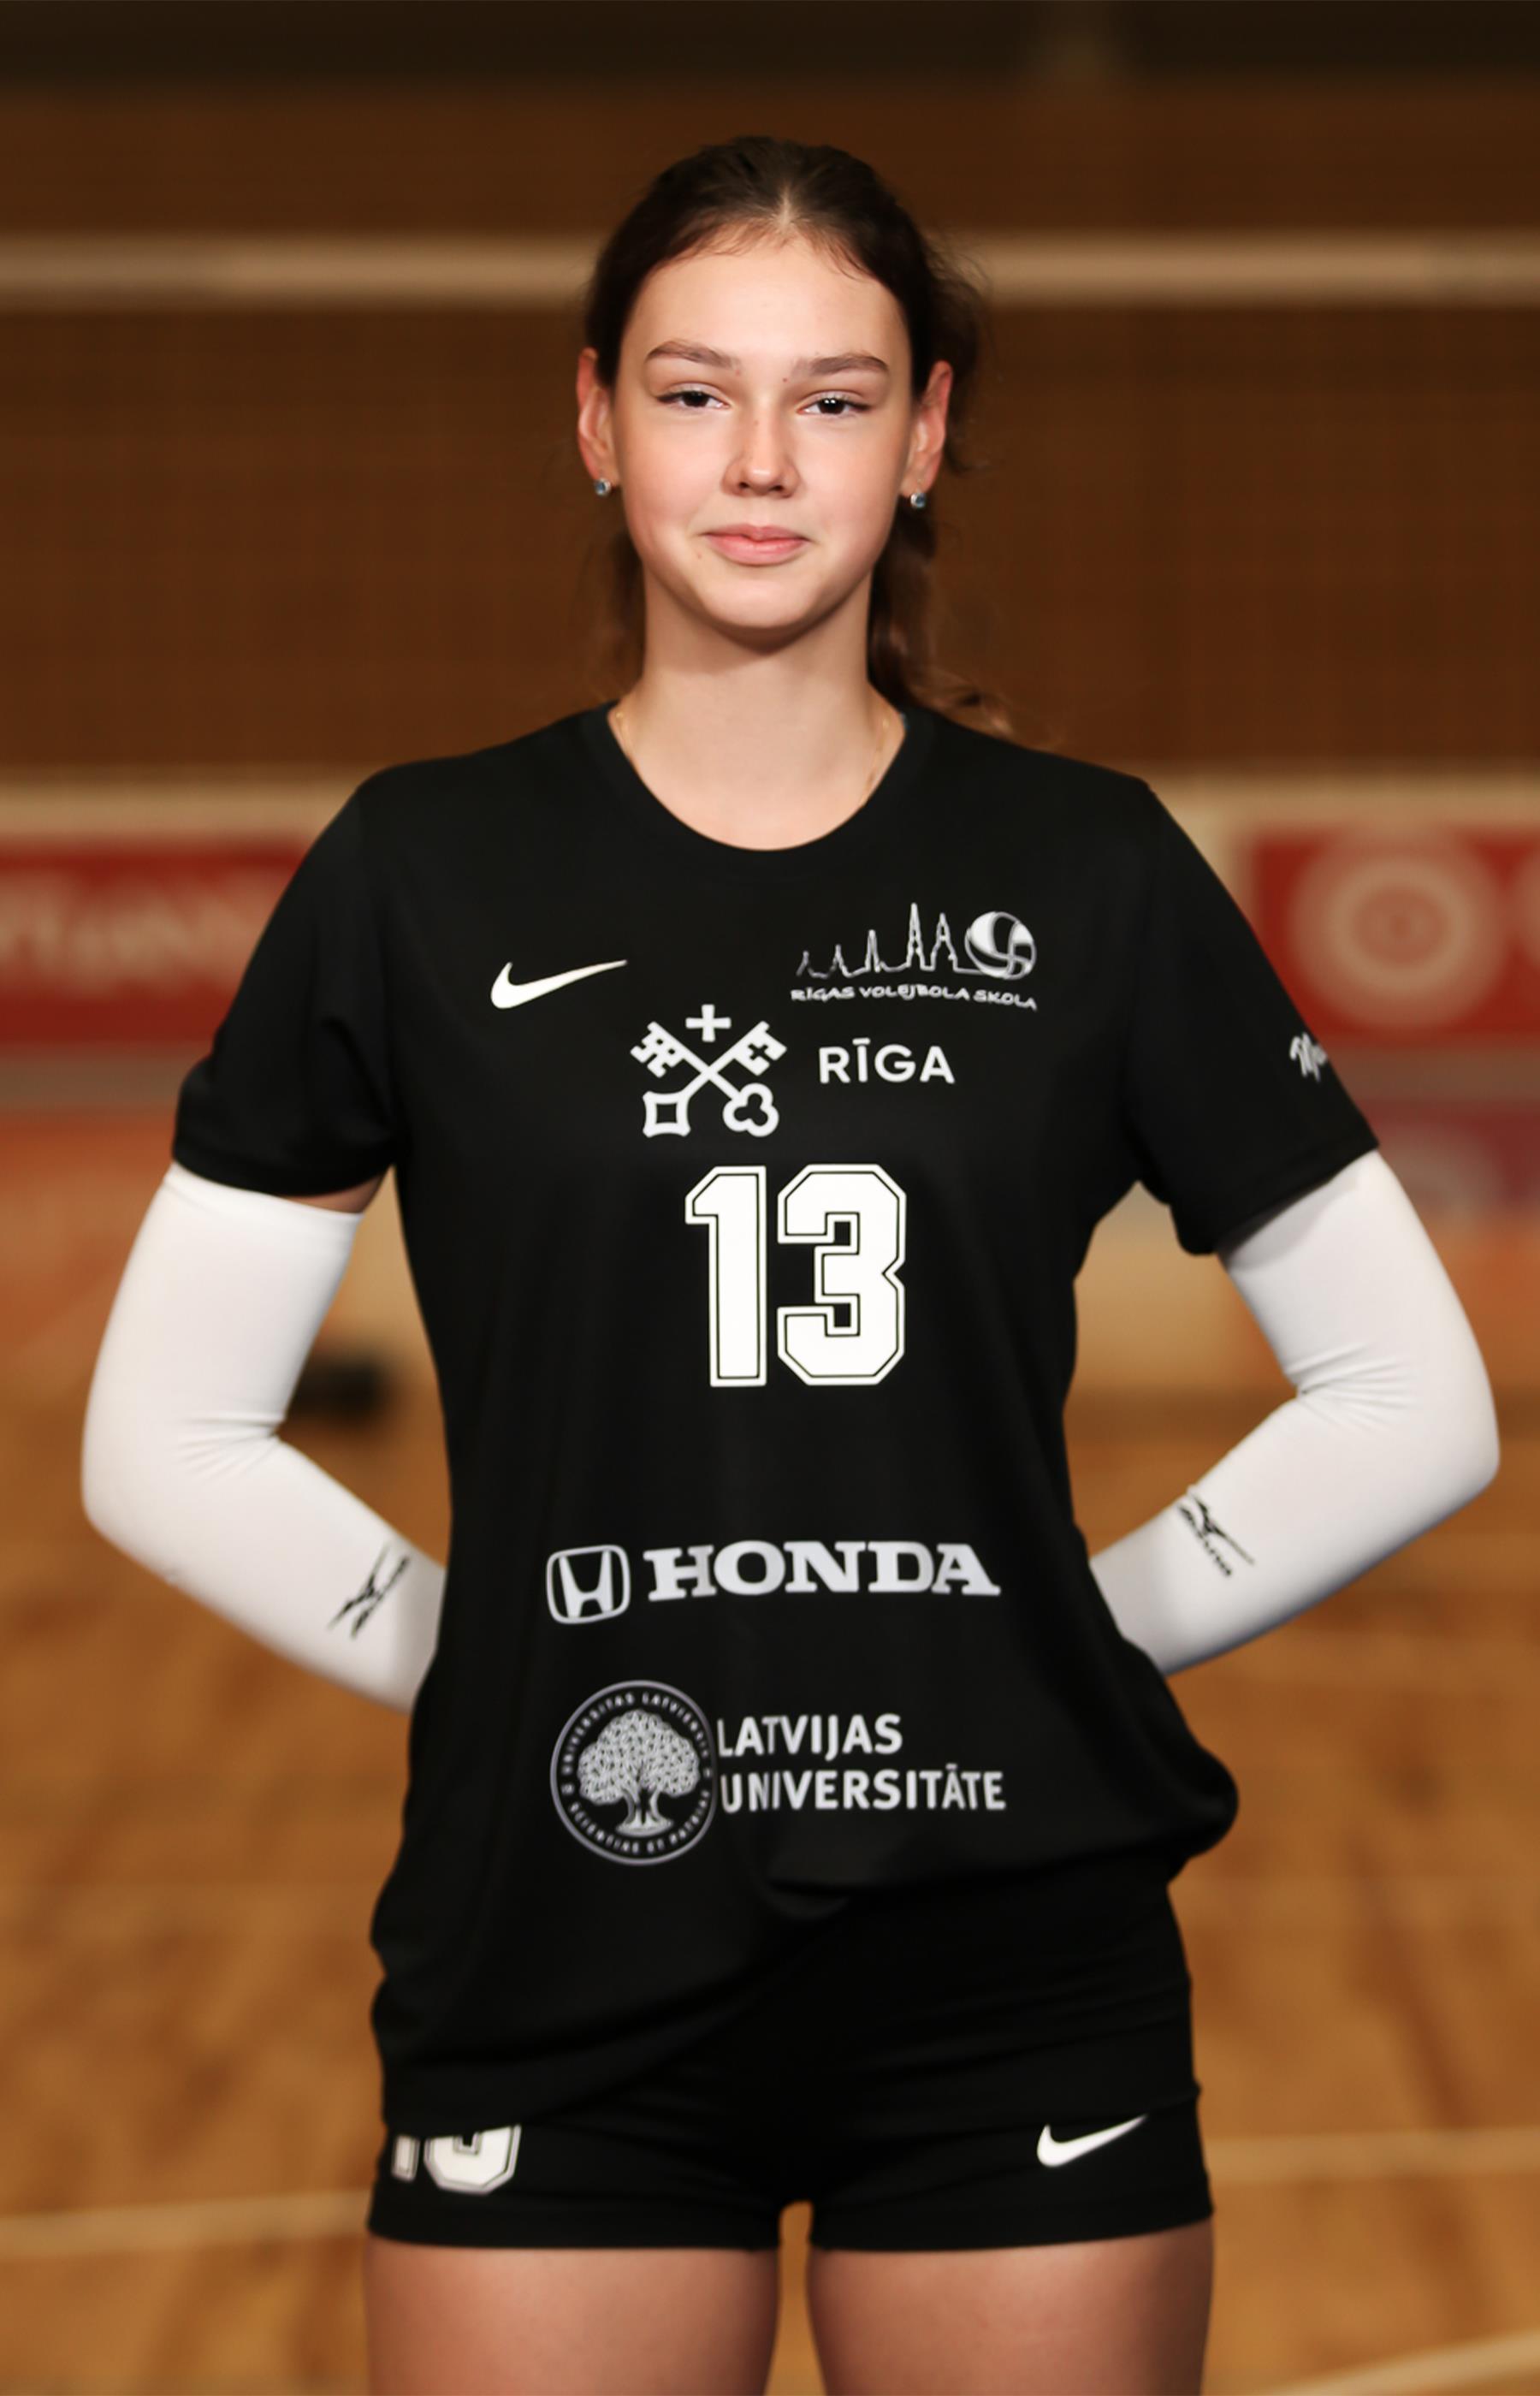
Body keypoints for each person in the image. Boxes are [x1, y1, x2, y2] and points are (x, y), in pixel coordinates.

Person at [80, 136, 1499, 2396]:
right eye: (693, 392)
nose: (760, 461)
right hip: (561, 1935)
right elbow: (159, 1436)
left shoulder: (1090, 873)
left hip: (1009, 1956)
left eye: (833, 398)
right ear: (594, 419)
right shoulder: (422, 871)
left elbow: (1415, 1399)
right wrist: (480, 1657)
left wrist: (1070, 1632)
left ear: (925, 435)